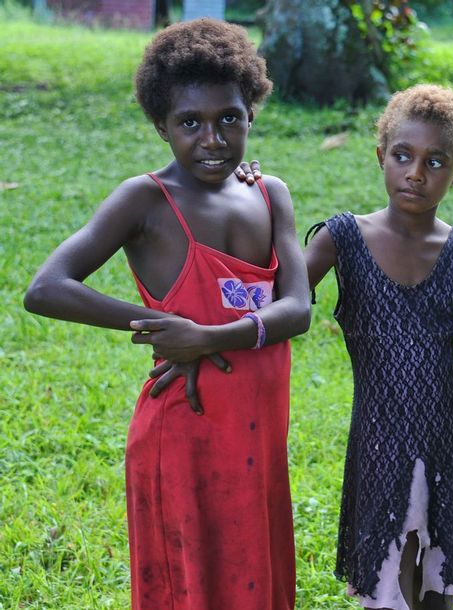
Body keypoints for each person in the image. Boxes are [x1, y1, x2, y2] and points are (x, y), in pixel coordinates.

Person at [24, 19, 309, 610]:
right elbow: (47, 287)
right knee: (188, 585)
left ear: (251, 113)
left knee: (256, 576)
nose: (213, 138)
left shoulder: (269, 193)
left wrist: (204, 336)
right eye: (190, 123)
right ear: (161, 127)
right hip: (184, 431)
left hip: (258, 430)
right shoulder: (146, 200)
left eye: (229, 118)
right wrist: (160, 329)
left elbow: (298, 309)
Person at [301, 84, 453, 610]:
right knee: (386, 580)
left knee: (440, 577)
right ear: (381, 157)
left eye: (435, 161)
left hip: (449, 434)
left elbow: (444, 344)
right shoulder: (339, 240)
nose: (416, 172)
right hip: (379, 436)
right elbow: (279, 305)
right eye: (403, 156)